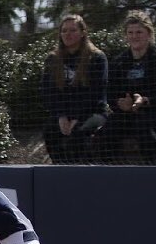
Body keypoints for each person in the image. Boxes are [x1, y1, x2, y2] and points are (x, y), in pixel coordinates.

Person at [103, 10, 156, 163]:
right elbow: (110, 93)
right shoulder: (119, 62)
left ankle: (154, 168)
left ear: (149, 34)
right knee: (106, 132)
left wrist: (145, 100)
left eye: (139, 32)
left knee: (142, 128)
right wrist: (119, 103)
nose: (134, 36)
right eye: (130, 32)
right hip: (126, 115)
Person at [41, 14, 109, 163]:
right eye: (64, 31)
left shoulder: (97, 58)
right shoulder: (52, 59)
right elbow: (48, 93)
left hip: (92, 112)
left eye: (73, 30)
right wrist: (61, 116)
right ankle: (60, 168)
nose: (68, 34)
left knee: (78, 134)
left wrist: (77, 117)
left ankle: (82, 170)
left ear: (83, 33)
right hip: (63, 115)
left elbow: (96, 93)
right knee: (50, 131)